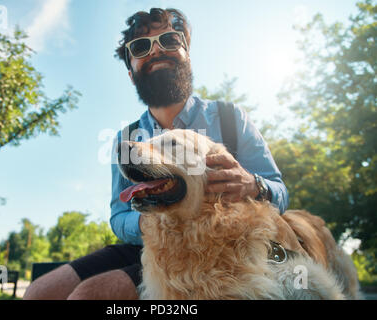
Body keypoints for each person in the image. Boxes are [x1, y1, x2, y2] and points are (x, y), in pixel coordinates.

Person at [23, 8, 289, 300]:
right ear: (130, 71)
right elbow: (119, 215)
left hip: (218, 248)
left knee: (89, 296)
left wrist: (254, 185)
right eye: (140, 47)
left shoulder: (229, 118)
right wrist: (153, 218)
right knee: (39, 293)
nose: (157, 49)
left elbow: (279, 192)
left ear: (187, 52)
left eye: (169, 40)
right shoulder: (126, 140)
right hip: (146, 243)